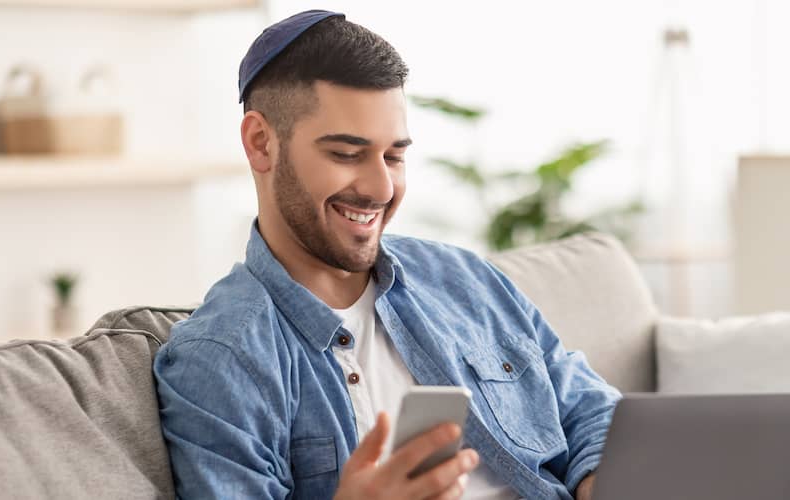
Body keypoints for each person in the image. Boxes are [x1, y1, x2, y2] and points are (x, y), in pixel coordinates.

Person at [152, 10, 619, 500]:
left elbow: (591, 411)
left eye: (394, 157)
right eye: (346, 154)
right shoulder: (223, 359)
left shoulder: (465, 281)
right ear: (261, 143)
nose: (381, 188)